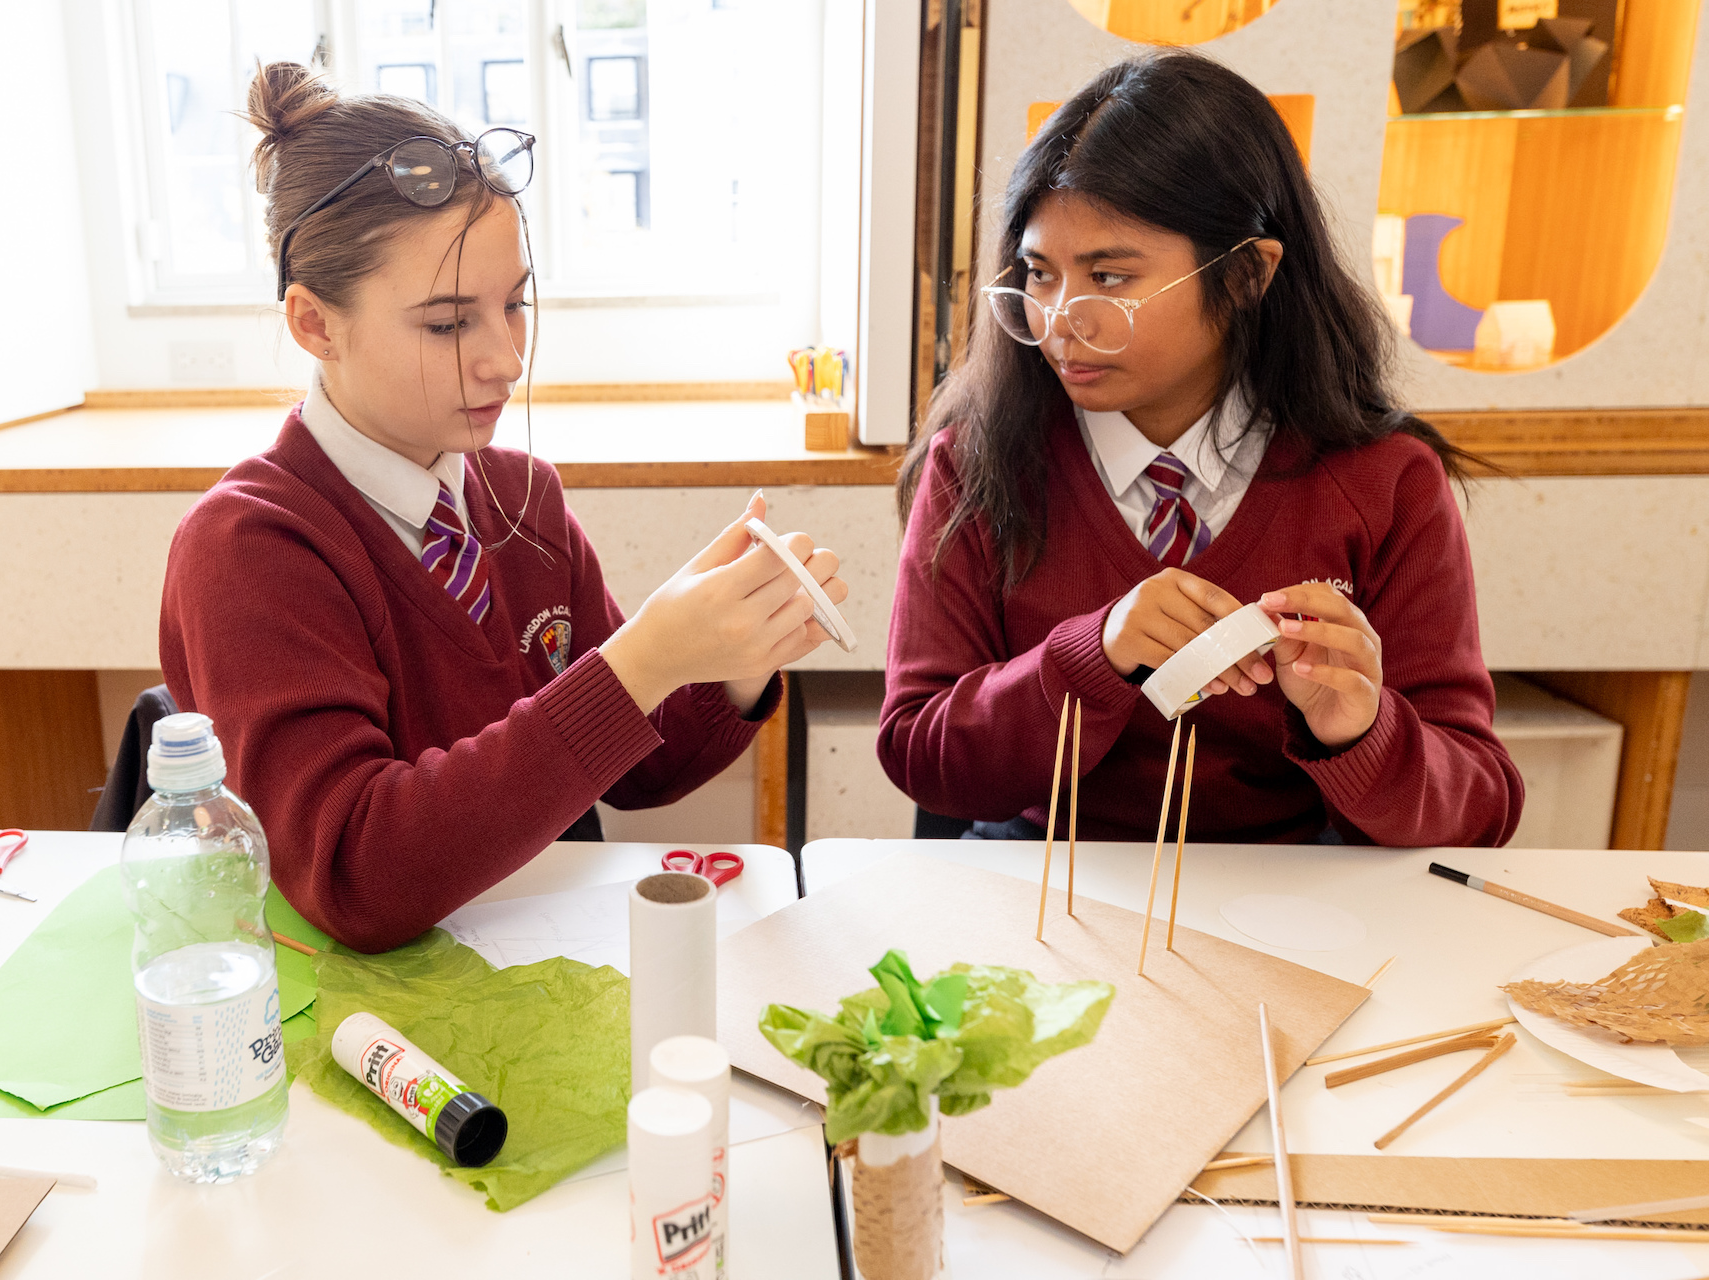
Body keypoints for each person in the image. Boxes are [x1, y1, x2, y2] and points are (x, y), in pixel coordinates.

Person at [160, 63, 846, 951]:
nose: (506, 360)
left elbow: (638, 768)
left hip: (532, 954)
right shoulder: (250, 547)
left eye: (515, 304)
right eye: (448, 324)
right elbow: (355, 876)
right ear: (315, 324)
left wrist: (729, 657)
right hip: (359, 1001)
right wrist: (640, 661)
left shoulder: (525, 500)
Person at [880, 50, 1522, 847]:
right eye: (1039, 275)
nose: (1060, 322)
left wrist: (1362, 732)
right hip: (1037, 877)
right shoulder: (976, 464)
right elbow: (922, 758)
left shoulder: (1385, 482)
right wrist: (1092, 656)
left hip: (1293, 885)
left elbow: (1481, 807)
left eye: (1110, 278)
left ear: (1248, 274)